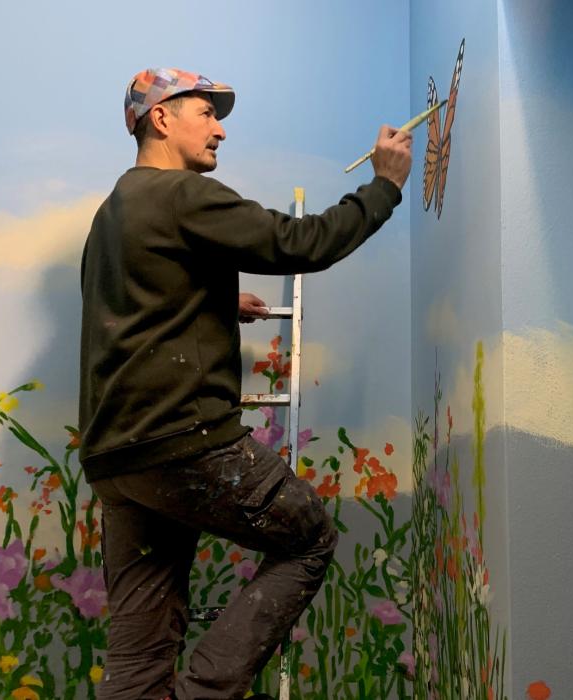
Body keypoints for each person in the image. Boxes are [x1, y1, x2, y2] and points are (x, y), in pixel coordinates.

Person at [78, 67, 412, 700]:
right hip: (184, 442)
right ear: (161, 118)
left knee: (140, 655)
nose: (220, 130)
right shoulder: (183, 195)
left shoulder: (112, 213)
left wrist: (213, 300)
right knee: (309, 538)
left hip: (117, 460)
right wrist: (384, 186)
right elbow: (301, 242)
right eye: (206, 113)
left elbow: (131, 305)